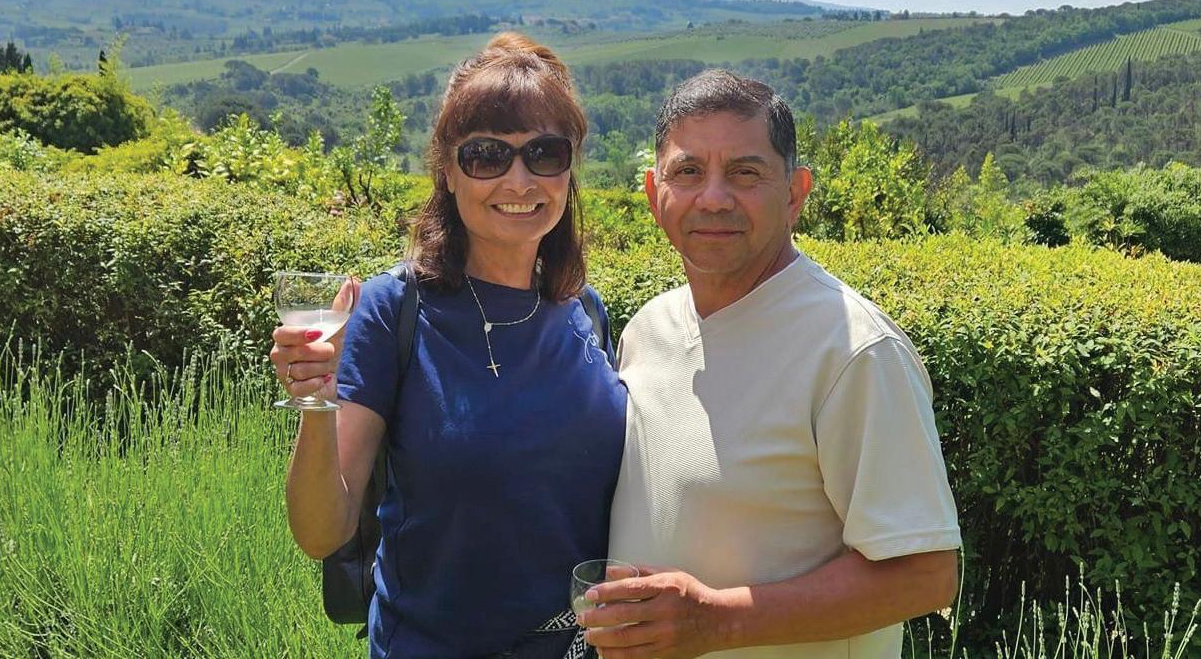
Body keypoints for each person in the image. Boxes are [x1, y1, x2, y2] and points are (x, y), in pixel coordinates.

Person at [580, 69, 961, 658]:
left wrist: (716, 622)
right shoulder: (648, 329)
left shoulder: (855, 352)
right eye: (688, 171)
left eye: (745, 172)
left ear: (794, 194)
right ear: (655, 195)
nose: (713, 197)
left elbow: (925, 575)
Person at [269, 33, 627, 659]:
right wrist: (317, 401)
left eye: (545, 153)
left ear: (569, 170)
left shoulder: (585, 311)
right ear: (448, 170)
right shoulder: (393, 309)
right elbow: (322, 533)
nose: (520, 179)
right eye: (487, 156)